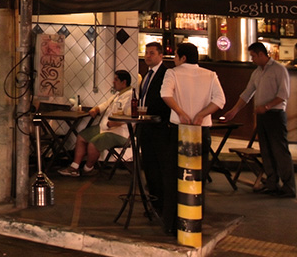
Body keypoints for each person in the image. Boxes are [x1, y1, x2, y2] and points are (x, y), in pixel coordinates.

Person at [161, 42, 225, 234]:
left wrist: (180, 112)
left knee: (174, 176)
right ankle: (194, 222)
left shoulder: (172, 73)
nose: (174, 60)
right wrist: (201, 115)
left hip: (178, 130)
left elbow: (165, 94)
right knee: (198, 177)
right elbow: (220, 100)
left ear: (183, 58)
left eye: (176, 56)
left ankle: (172, 224)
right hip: (201, 131)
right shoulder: (210, 75)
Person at [224, 41, 296, 198]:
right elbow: (247, 93)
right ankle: (272, 183)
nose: (252, 59)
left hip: (275, 115)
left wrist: (267, 107)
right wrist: (234, 110)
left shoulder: (279, 70)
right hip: (262, 116)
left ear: (261, 54)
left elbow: (283, 95)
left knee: (280, 151)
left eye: (253, 56)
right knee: (266, 150)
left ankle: (289, 186)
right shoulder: (257, 73)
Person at [58, 70, 133, 177]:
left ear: (124, 82)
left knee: (93, 144)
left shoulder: (130, 96)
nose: (113, 82)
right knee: (82, 137)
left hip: (119, 133)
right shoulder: (119, 94)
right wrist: (96, 109)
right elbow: (106, 104)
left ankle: (88, 169)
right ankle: (74, 167)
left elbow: (127, 117)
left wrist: (110, 124)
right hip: (105, 128)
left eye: (116, 80)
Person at [137, 42, 172, 214]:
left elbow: (165, 99)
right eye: (146, 52)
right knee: (149, 166)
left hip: (159, 127)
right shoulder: (147, 75)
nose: (148, 56)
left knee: (159, 167)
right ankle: (153, 202)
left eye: (152, 53)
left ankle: (162, 204)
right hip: (145, 126)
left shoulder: (166, 74)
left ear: (160, 55)